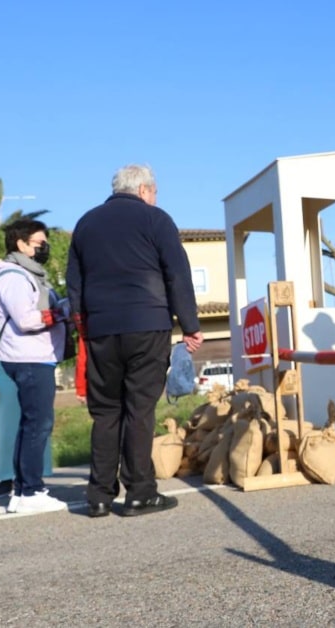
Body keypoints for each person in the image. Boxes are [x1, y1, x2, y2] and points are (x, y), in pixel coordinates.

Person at [68, 164, 203, 518]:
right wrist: (189, 324)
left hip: (101, 329)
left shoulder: (86, 223)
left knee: (107, 412)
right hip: (147, 323)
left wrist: (84, 325)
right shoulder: (155, 219)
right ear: (144, 189)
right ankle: (140, 492)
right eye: (155, 192)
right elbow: (176, 273)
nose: (156, 198)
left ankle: (98, 496)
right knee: (139, 410)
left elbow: (75, 283)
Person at [0, 218, 69, 513]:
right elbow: (27, 319)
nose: (44, 248)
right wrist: (59, 314)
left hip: (33, 356)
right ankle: (32, 490)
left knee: (30, 423)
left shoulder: (29, 276)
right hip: (28, 357)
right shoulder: (14, 278)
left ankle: (21, 491)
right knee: (39, 424)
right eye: (39, 243)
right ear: (21, 244)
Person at [0, 351, 53, 500]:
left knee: (37, 426)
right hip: (2, 379)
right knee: (7, 432)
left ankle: (33, 476)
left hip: (32, 368)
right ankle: (6, 477)